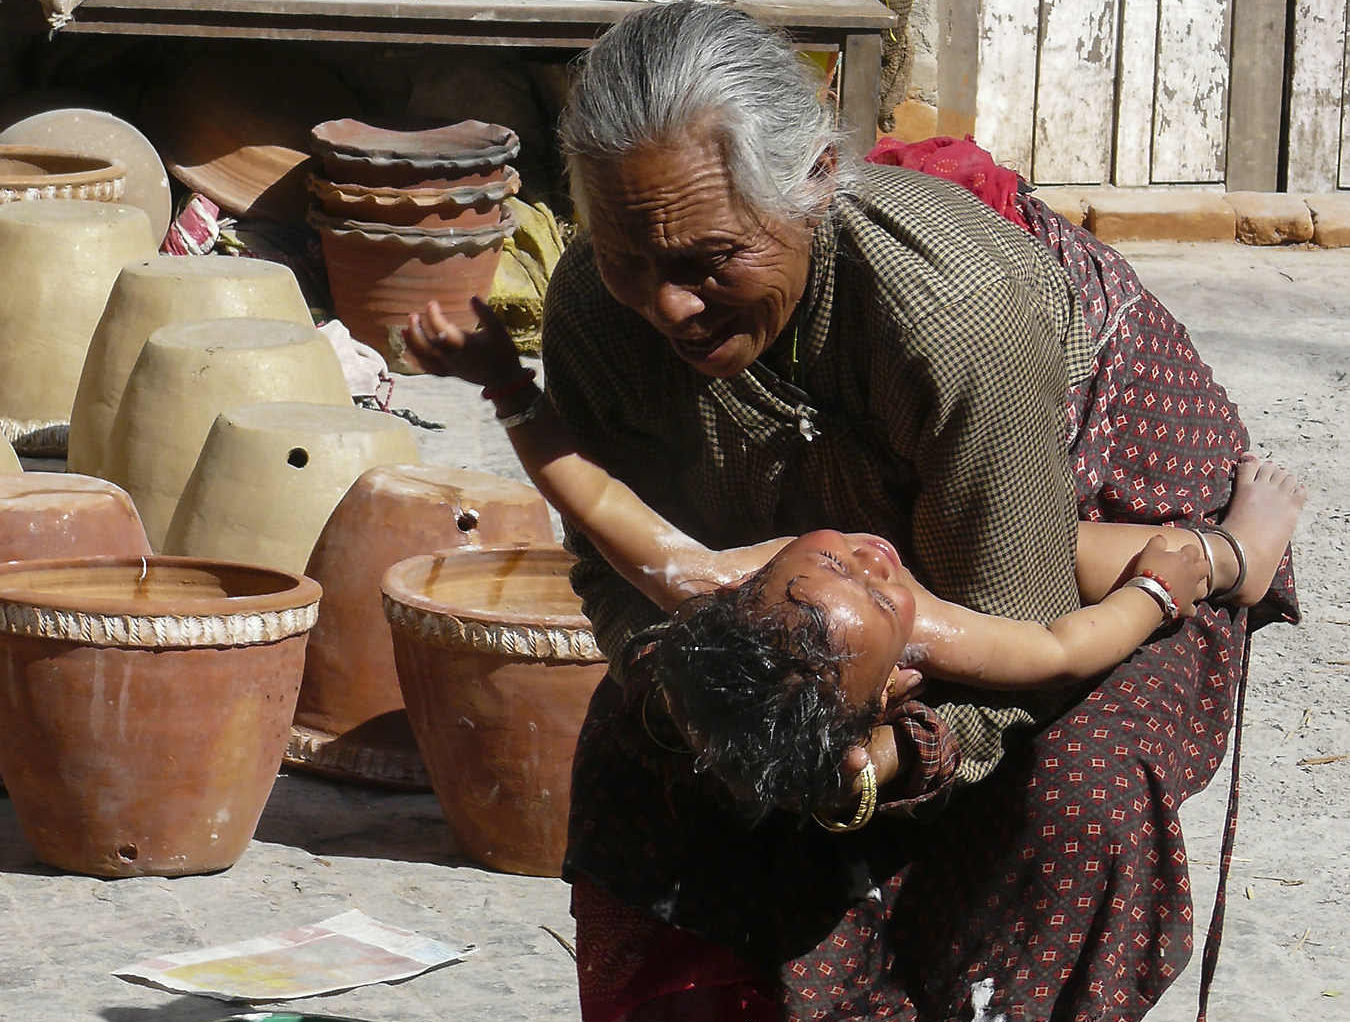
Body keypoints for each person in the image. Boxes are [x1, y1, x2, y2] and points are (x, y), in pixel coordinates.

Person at [416, 0, 1300, 1022]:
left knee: (1069, 797)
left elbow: (1026, 645)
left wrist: (891, 757)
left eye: (710, 259)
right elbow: (617, 551)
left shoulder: (956, 316)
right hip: (827, 584)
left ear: (817, 184)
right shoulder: (614, 300)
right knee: (649, 754)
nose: (663, 303)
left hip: (1069, 551)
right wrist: (723, 705)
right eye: (628, 256)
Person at [405, 298, 1301, 832]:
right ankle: (1242, 556)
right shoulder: (934, 633)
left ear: (740, 588)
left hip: (903, 502)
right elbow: (1064, 649)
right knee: (1086, 553)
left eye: (834, 565)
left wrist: (508, 386)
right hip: (986, 563)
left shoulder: (706, 581)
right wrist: (1162, 583)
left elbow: (593, 500)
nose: (874, 566)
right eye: (880, 600)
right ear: (899, 682)